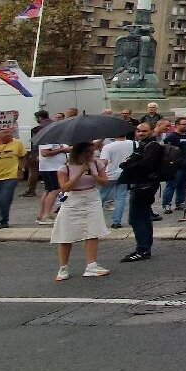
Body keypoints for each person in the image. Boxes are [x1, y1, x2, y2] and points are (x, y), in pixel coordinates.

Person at [50, 141, 110, 281]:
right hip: (73, 199)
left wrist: (93, 174)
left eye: (92, 152)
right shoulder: (64, 168)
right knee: (66, 234)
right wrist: (80, 173)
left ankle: (91, 265)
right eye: (88, 152)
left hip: (91, 197)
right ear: (79, 153)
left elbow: (105, 182)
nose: (91, 155)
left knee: (92, 231)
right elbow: (65, 188)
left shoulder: (96, 164)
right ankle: (63, 268)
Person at [120, 121, 164, 263]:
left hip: (145, 185)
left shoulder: (153, 146)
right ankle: (144, 248)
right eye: (138, 131)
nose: (140, 133)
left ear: (151, 131)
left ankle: (142, 249)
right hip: (141, 184)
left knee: (137, 218)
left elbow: (146, 164)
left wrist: (129, 165)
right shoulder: (142, 146)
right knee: (141, 217)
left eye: (144, 131)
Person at [36, 117, 71, 225]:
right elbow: (44, 153)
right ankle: (46, 215)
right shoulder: (49, 138)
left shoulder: (58, 138)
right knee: (55, 190)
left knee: (48, 190)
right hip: (51, 168)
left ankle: (43, 214)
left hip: (54, 167)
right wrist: (63, 150)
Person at [161, 118, 186, 214]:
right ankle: (166, 205)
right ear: (177, 125)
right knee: (171, 185)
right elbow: (166, 152)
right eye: (184, 124)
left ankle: (180, 203)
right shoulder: (171, 137)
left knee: (183, 185)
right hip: (176, 167)